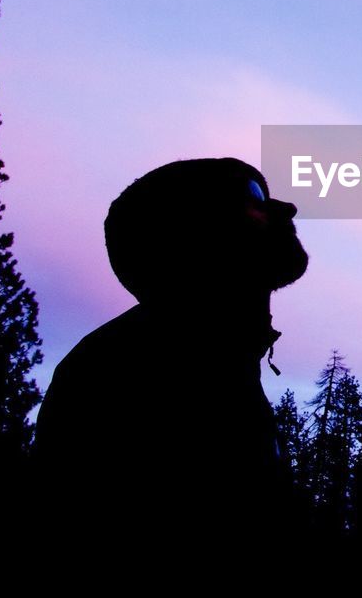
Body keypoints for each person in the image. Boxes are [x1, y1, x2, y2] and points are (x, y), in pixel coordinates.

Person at [32, 157, 309, 528]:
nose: (285, 207)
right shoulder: (124, 373)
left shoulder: (218, 360)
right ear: (191, 232)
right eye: (253, 195)